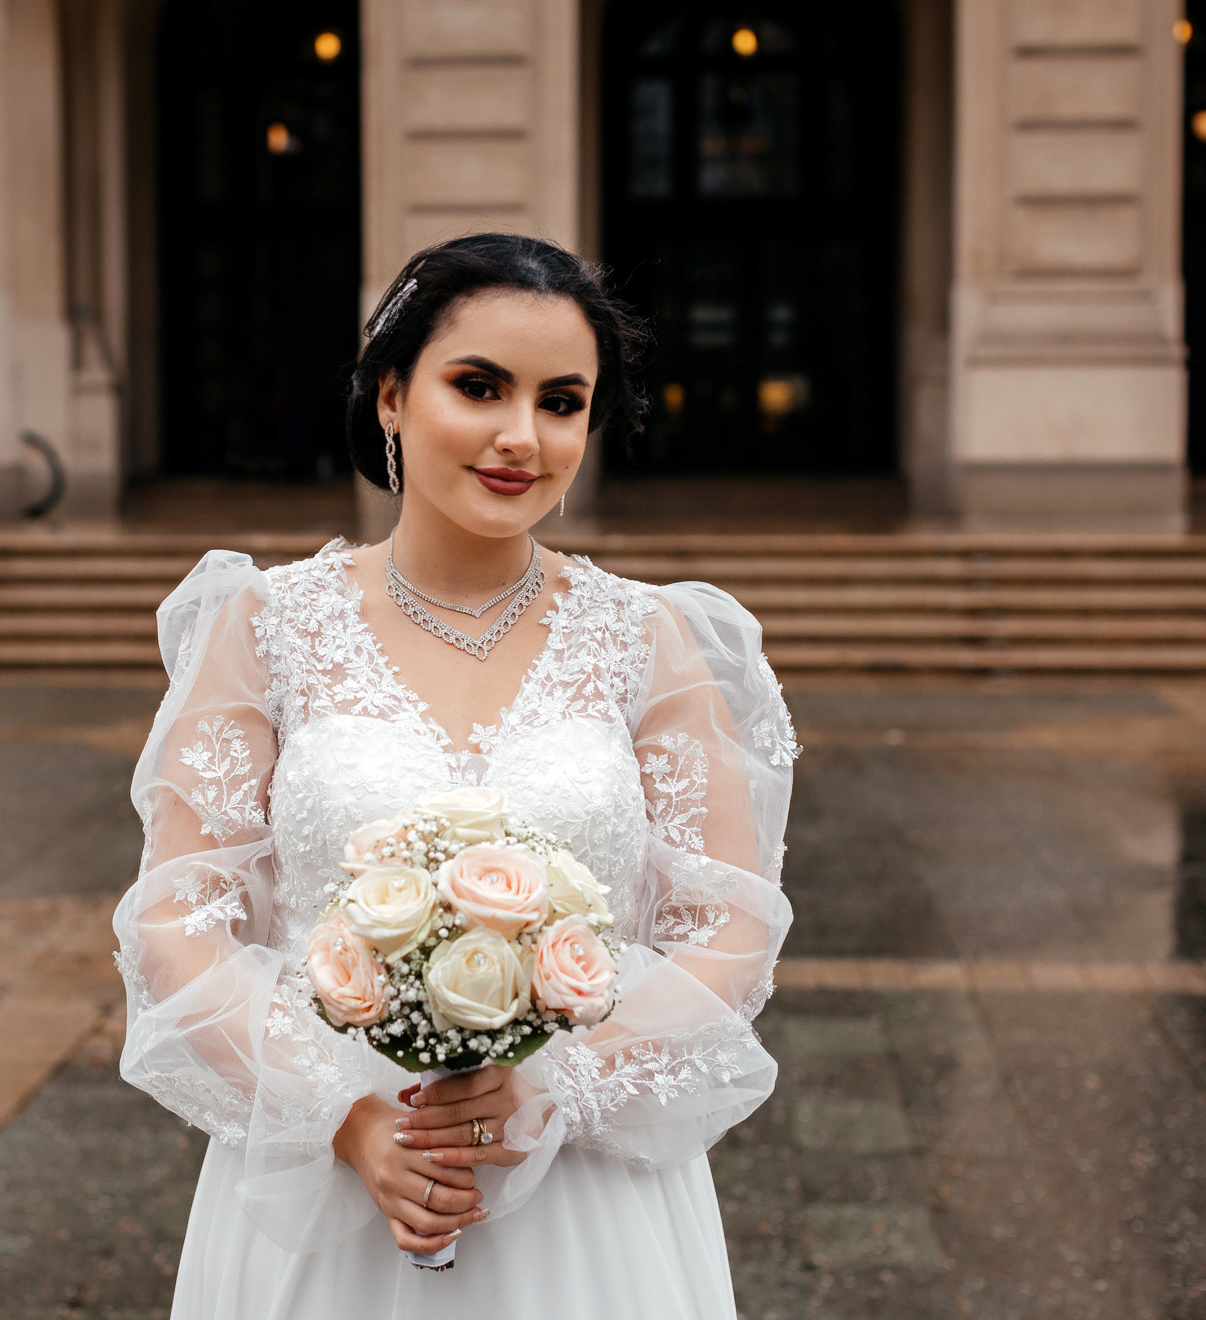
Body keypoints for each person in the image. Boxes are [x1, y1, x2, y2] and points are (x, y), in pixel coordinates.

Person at [113, 232, 796, 1318]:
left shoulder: (646, 637)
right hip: (327, 1183)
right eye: (478, 386)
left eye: (562, 401)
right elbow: (180, 915)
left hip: (585, 1192)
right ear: (391, 394)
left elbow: (730, 920)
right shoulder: (269, 627)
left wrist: (557, 1087)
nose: (521, 436)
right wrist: (340, 1117)